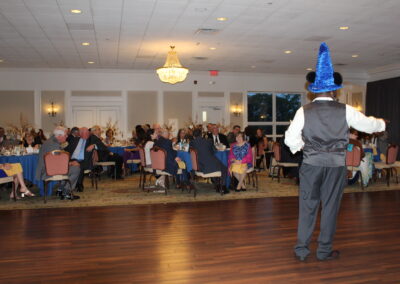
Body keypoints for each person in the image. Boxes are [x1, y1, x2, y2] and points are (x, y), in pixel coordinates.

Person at [285, 42, 386, 262]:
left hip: (311, 165)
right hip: (335, 166)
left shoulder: (303, 111)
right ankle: (323, 251)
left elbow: (290, 139)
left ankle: (302, 250)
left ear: (314, 90)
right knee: (330, 208)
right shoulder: (346, 110)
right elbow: (369, 125)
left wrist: (305, 148)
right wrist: (382, 124)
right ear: (334, 89)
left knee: (307, 207)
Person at [36, 126, 81, 200]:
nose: (67, 136)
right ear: (59, 136)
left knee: (71, 167)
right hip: (49, 171)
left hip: (48, 169)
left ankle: (60, 190)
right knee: (76, 168)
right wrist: (71, 163)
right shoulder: (54, 145)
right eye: (65, 135)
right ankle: (66, 192)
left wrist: (70, 163)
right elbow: (58, 163)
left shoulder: (51, 141)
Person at [190, 128, 229, 194]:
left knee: (216, 166)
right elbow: (214, 151)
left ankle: (217, 185)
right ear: (201, 134)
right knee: (224, 168)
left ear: (193, 136)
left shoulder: (191, 143)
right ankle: (223, 187)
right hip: (209, 166)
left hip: (199, 166)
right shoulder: (209, 141)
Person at [65, 127, 94, 192]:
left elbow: (101, 145)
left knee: (78, 166)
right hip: (72, 160)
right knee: (64, 165)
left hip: (84, 161)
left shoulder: (91, 140)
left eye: (87, 133)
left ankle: (79, 184)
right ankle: (64, 186)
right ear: (80, 134)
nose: (87, 134)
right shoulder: (75, 139)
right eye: (85, 133)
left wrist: (94, 145)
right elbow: (67, 149)